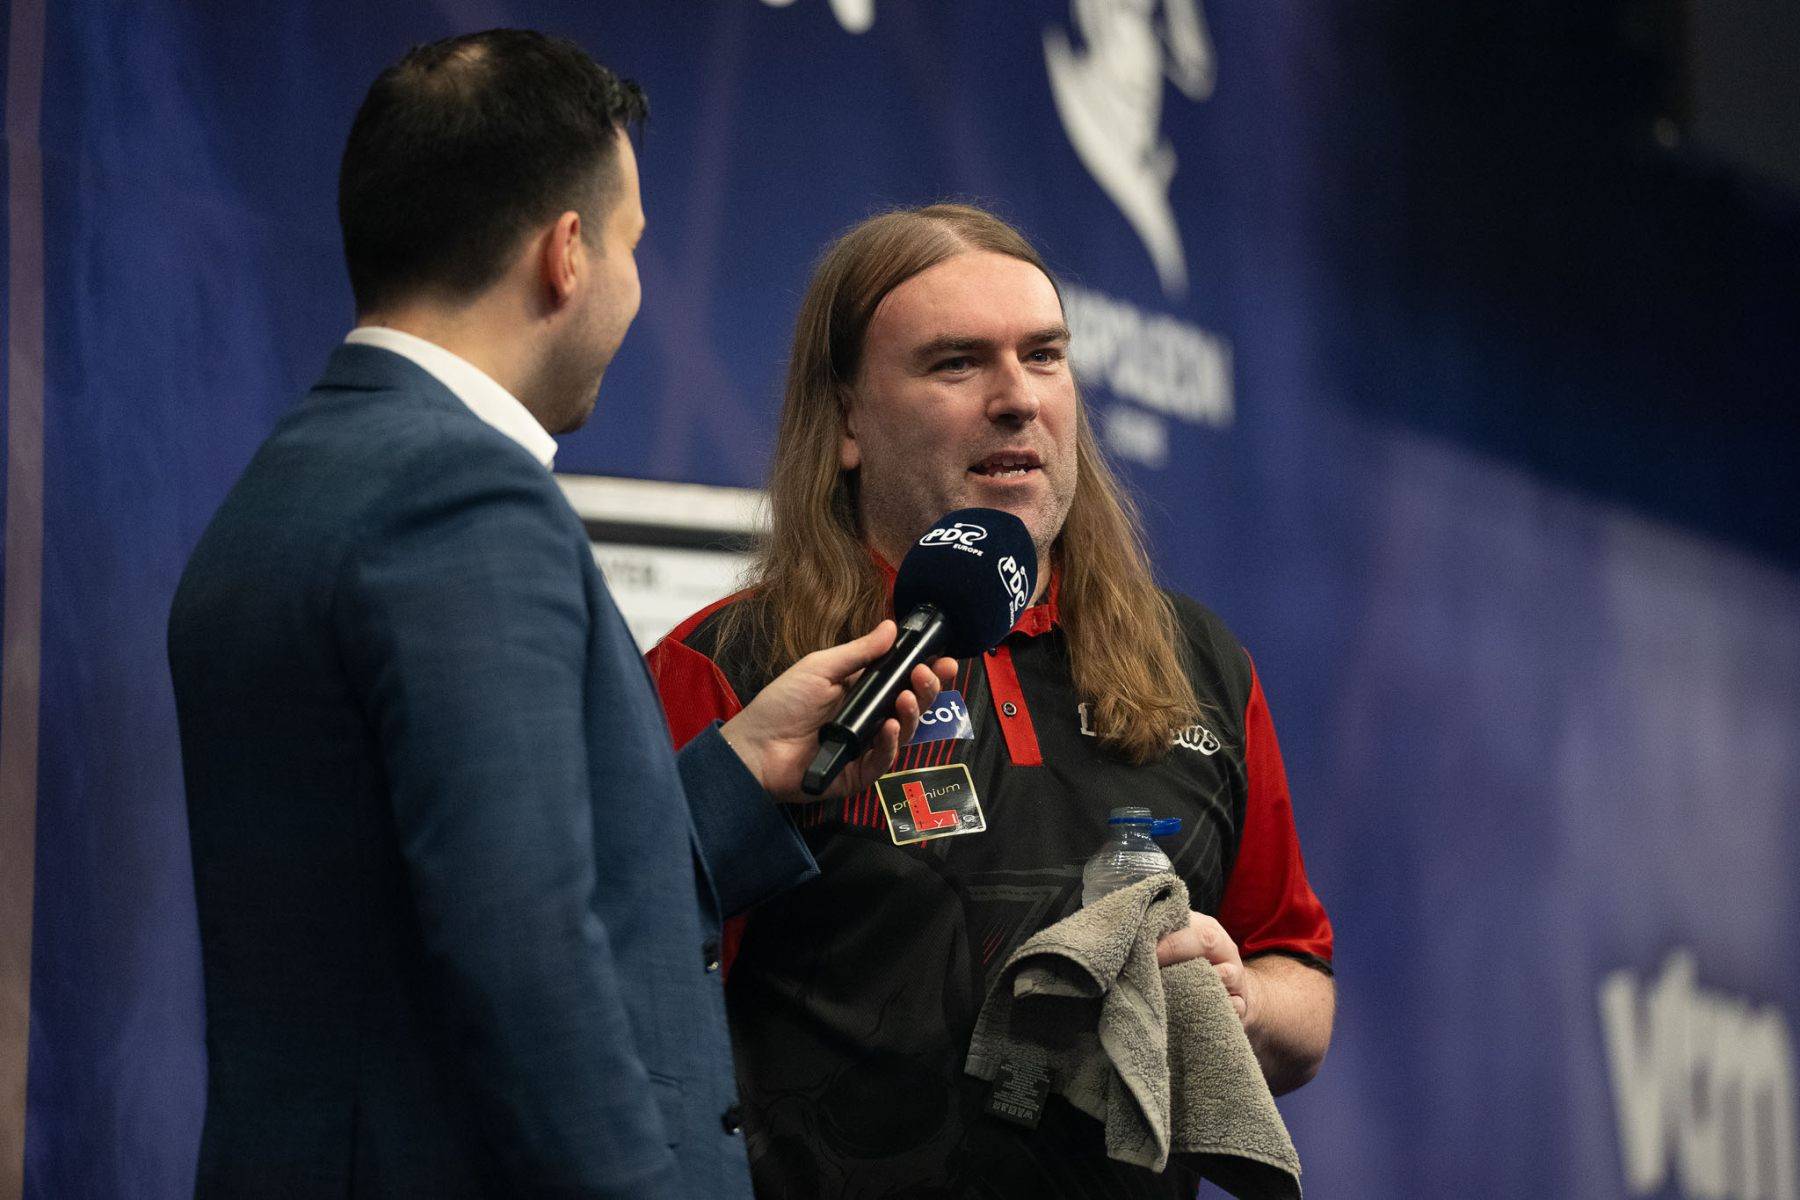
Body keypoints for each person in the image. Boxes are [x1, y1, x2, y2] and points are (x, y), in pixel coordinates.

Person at [167, 31, 947, 1200]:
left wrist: (739, 771)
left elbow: (441, 882)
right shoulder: (461, 496)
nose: (636, 287)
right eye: (633, 244)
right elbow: (520, 946)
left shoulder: (285, 488)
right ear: (566, 254)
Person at [647, 203, 1335, 1198]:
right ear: (847, 421)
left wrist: (1240, 1002)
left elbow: (1299, 979)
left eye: (1044, 355)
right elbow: (625, 992)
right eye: (956, 363)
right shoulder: (726, 667)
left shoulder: (1198, 662)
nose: (1018, 399)